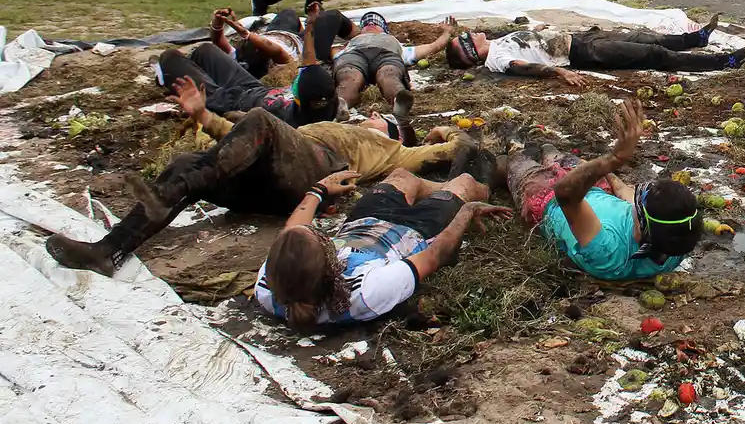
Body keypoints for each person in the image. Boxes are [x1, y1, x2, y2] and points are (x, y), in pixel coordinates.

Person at [44, 79, 482, 277]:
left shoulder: (392, 148)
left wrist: (454, 145)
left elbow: (448, 150)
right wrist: (204, 116)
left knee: (257, 120)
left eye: (381, 118)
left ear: (389, 129)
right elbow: (238, 144)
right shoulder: (315, 127)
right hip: (267, 173)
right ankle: (109, 249)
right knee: (186, 164)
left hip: (314, 169)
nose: (372, 116)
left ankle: (193, 181)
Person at [257, 167, 507, 327]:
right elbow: (435, 256)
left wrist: (319, 189)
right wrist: (467, 210)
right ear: (330, 266)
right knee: (465, 182)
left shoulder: (271, 288)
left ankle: (444, 188)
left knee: (402, 176)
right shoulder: (366, 291)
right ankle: (484, 182)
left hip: (362, 223)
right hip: (415, 231)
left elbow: (292, 233)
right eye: (319, 236)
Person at [507, 100, 703, 280]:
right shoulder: (673, 243)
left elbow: (565, 194)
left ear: (641, 224)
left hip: (549, 198)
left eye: (641, 199)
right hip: (593, 188)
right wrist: (606, 173)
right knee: (552, 151)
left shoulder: (609, 252)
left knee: (516, 160)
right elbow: (625, 193)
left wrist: (613, 160)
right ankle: (544, 146)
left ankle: (514, 144)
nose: (635, 198)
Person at [155, 4, 341, 127]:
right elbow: (309, 64)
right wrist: (310, 26)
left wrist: (210, 111)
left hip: (228, 101)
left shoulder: (286, 123)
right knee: (205, 50)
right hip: (253, 87)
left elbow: (237, 120)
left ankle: (165, 77)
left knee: (170, 57)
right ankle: (192, 69)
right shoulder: (326, 102)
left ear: (300, 98)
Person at [445, 15, 745, 79]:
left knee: (644, 37)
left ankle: (696, 39)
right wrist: (558, 74)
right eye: (468, 39)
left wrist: (537, 29)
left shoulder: (498, 42)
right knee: (653, 55)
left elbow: (527, 45)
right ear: (472, 53)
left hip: (579, 39)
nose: (473, 33)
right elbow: (523, 67)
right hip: (581, 54)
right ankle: (723, 62)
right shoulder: (497, 58)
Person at [332, 11, 455, 108]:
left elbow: (433, 47)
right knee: (349, 76)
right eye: (367, 24)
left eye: (375, 23)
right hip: (354, 55)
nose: (370, 24)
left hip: (386, 56)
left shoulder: (398, 45)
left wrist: (447, 32)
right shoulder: (348, 45)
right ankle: (340, 105)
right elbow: (325, 51)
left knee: (388, 74)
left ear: (385, 30)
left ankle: (399, 100)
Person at [209, 6, 351, 80]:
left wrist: (217, 21)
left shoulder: (241, 57)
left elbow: (218, 41)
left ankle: (302, 27)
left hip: (281, 33)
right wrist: (246, 34)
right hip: (305, 45)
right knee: (333, 16)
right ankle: (356, 34)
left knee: (288, 13)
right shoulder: (279, 63)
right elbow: (274, 50)